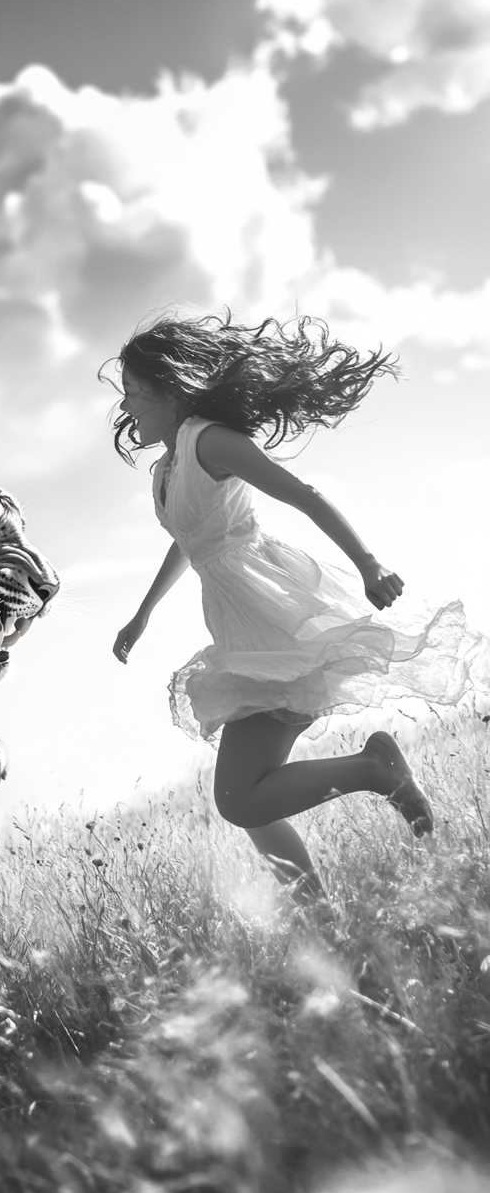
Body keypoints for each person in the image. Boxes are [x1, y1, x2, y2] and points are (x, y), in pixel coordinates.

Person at [110, 312, 485, 907]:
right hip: (242, 628)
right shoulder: (170, 464)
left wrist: (369, 564)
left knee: (237, 800)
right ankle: (317, 914)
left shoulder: (210, 440)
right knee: (250, 794)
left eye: (133, 393)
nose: (126, 409)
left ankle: (375, 771)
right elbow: (189, 539)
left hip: (275, 620)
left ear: (173, 387)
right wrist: (143, 614)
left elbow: (304, 495)